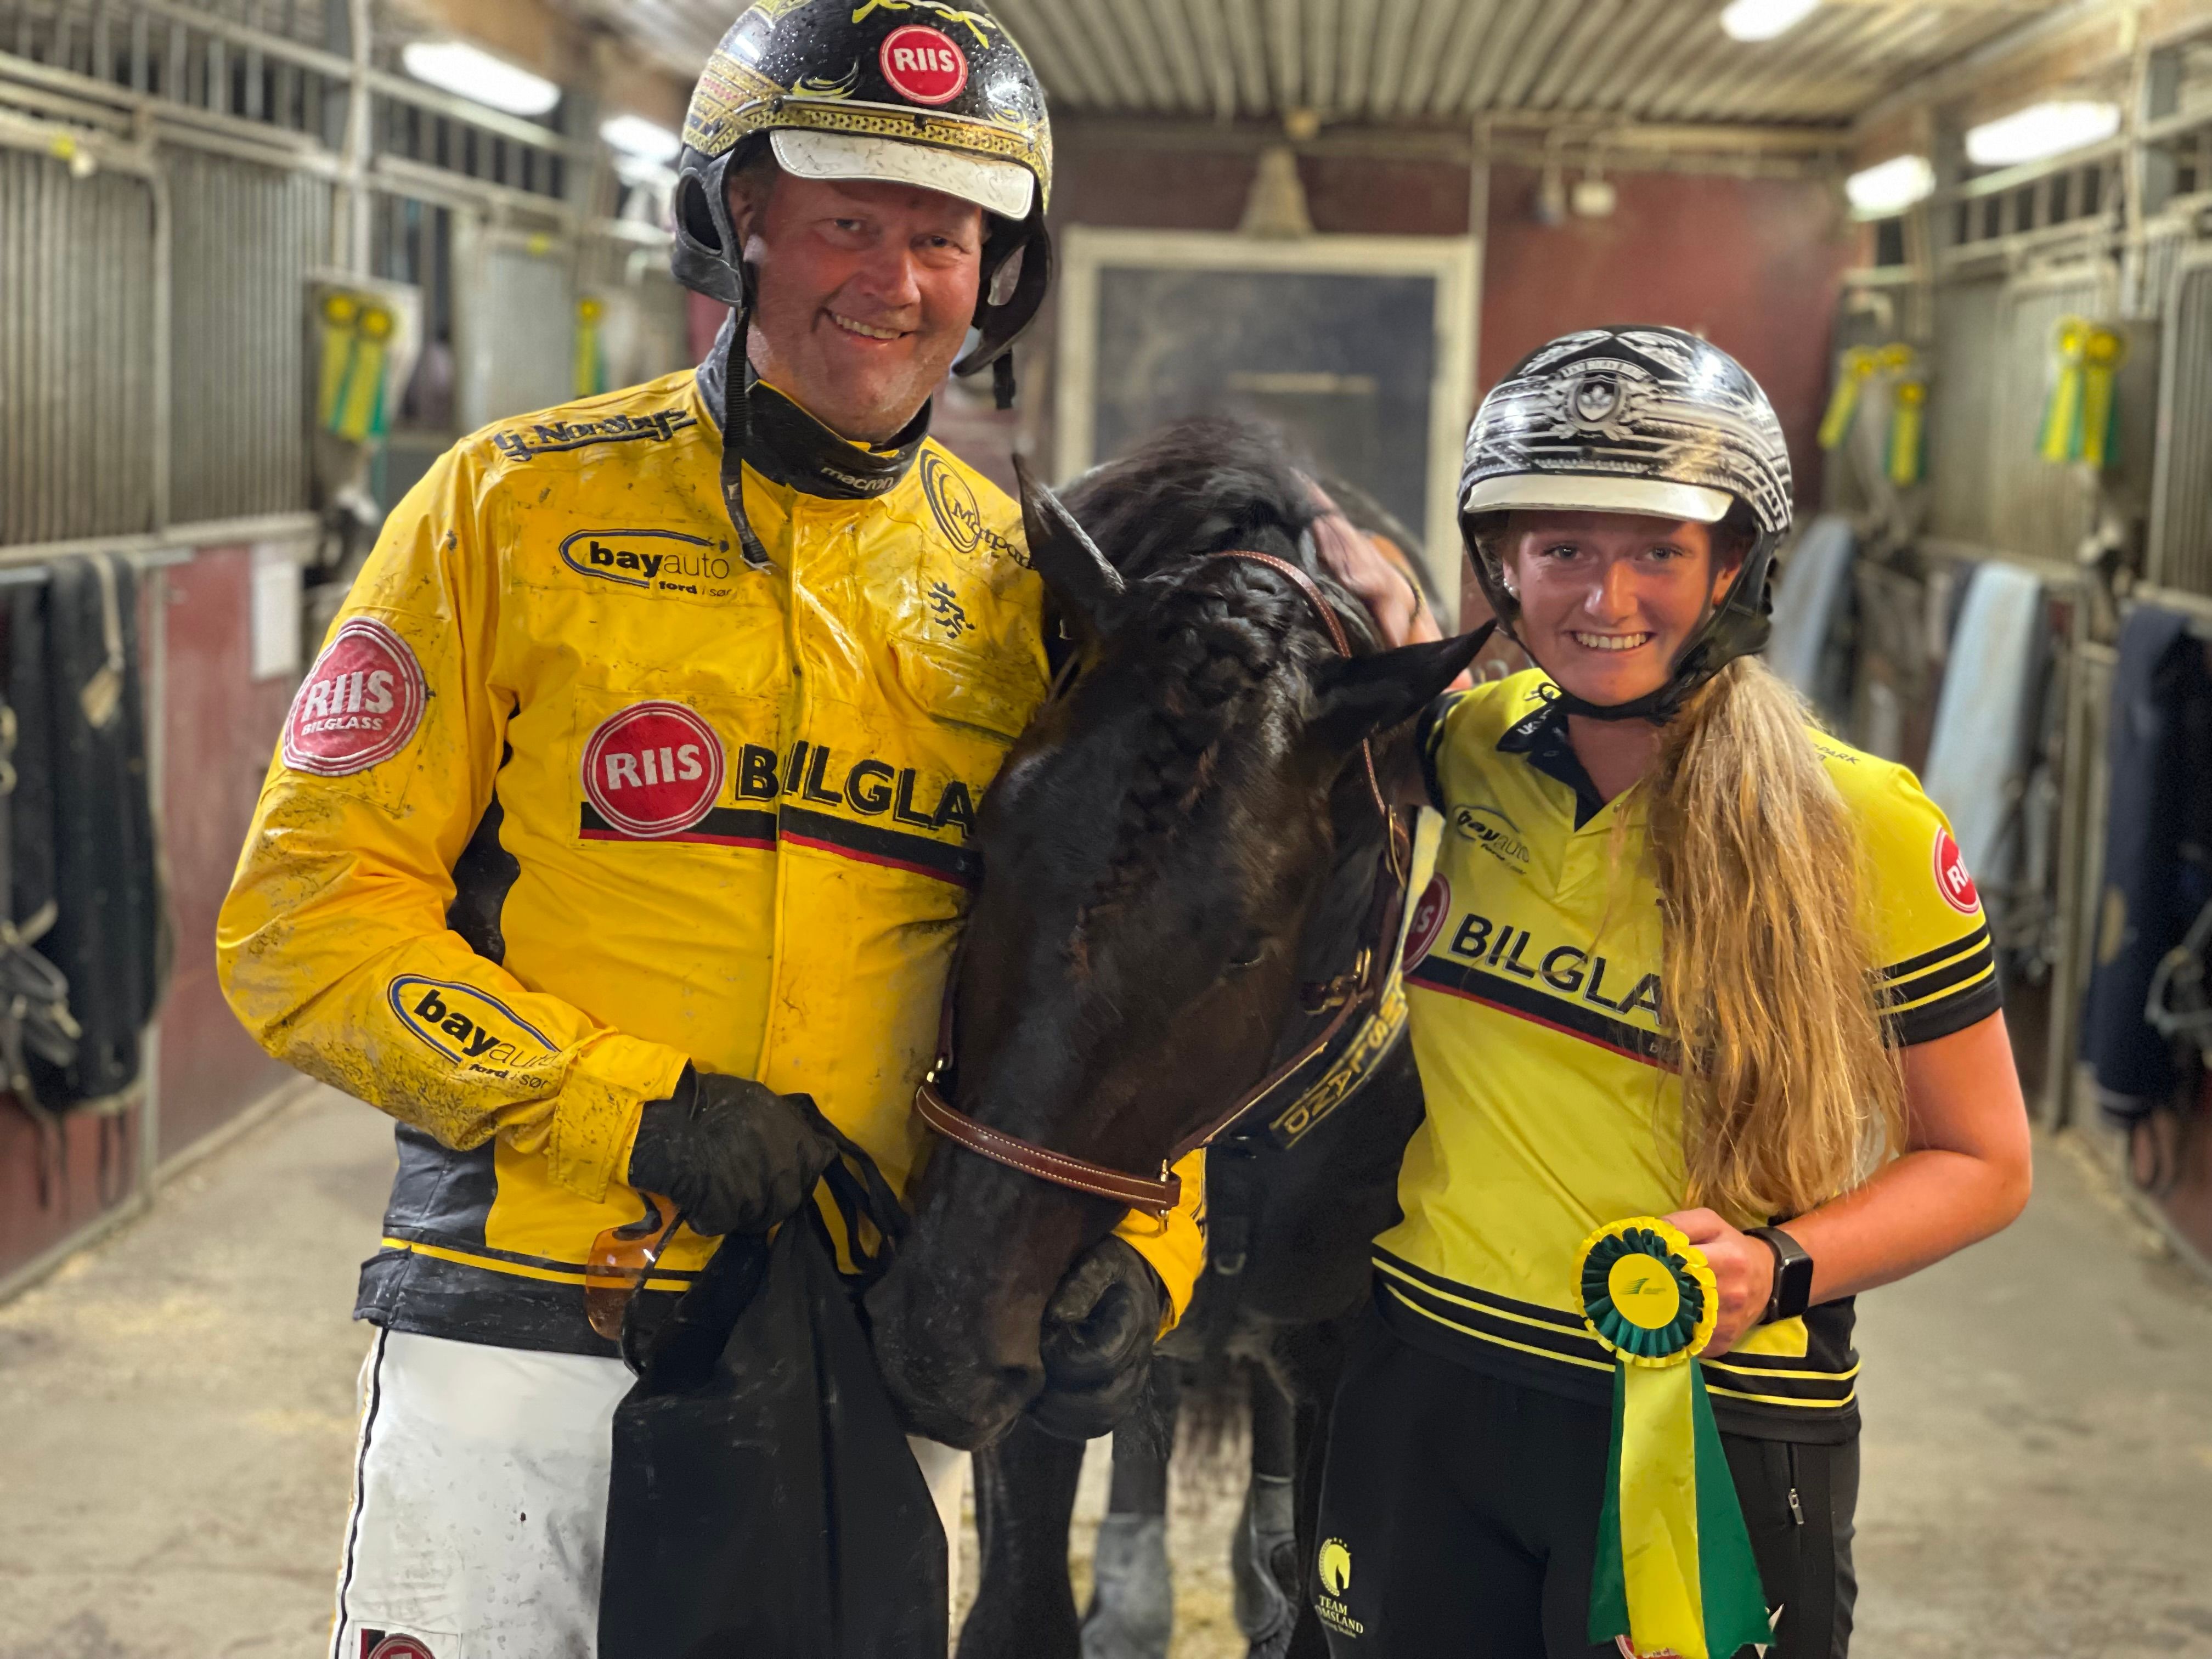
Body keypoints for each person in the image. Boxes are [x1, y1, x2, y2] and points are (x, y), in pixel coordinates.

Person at [214, 4, 1418, 1649]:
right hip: (523, 1329)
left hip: (866, 1339)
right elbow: (303, 924)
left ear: (997, 275)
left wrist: (1146, 1240)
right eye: (847, 220)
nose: (895, 280)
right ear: (741, 222)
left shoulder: (1032, 596)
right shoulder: (508, 510)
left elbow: (1136, 973)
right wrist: (634, 1112)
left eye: (944, 238)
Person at [1312, 327, 2034, 1658]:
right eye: (1563, 548)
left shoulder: (1863, 824)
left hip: (1705, 1408)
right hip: (1428, 1377)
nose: (1607, 596)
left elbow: (1986, 1162)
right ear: (1502, 563)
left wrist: (1781, 1265)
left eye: (1657, 550)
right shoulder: (1468, 749)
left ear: (1733, 566)